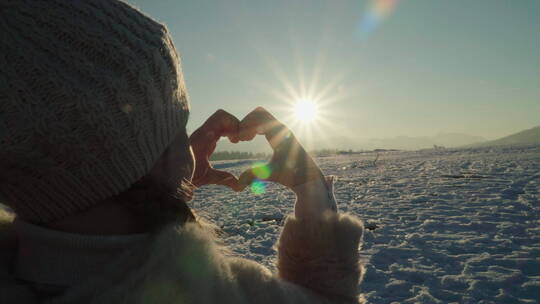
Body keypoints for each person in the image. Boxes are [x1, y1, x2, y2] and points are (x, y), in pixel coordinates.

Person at [0, 0, 366, 303]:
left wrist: (166, 181)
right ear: (150, 154)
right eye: (178, 124)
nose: (189, 143)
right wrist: (312, 189)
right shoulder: (217, 295)